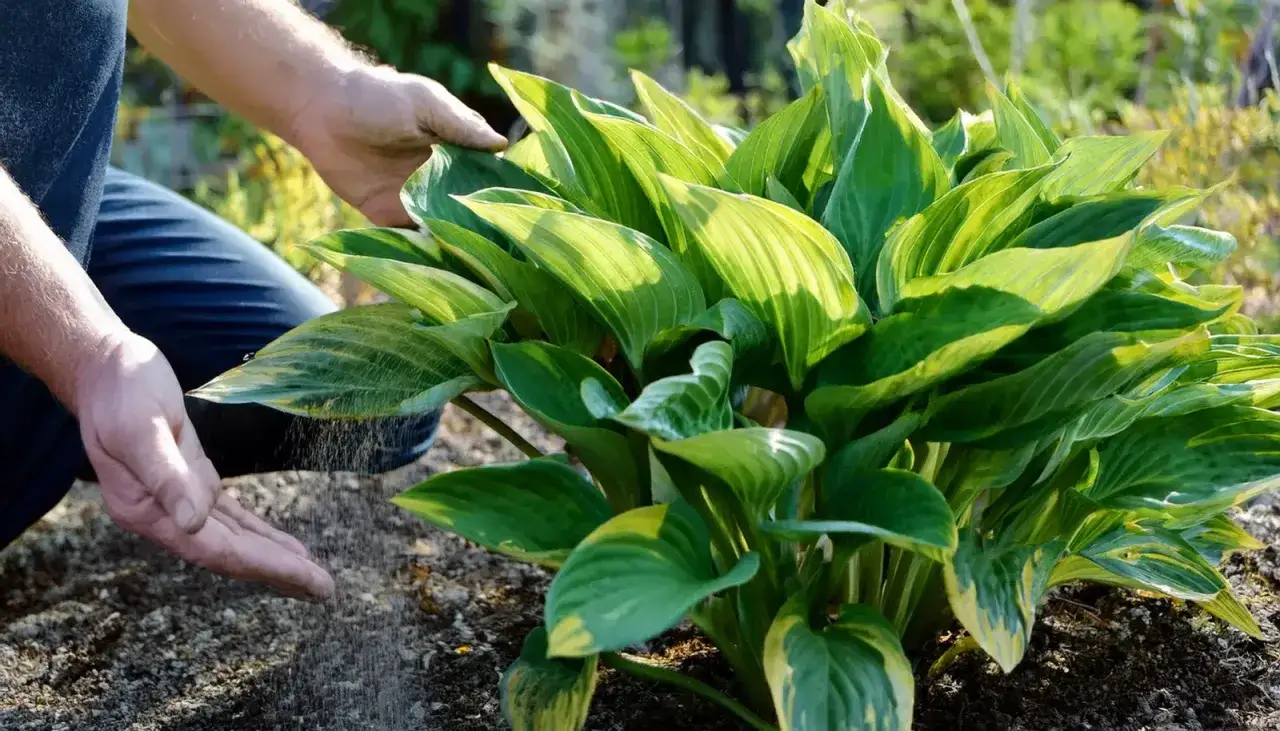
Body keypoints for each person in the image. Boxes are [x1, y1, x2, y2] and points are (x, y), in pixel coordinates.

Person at [0, 1, 507, 601]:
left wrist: (328, 90)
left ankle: (116, 431)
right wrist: (88, 355)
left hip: (56, 187)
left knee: (371, 391)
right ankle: (72, 423)